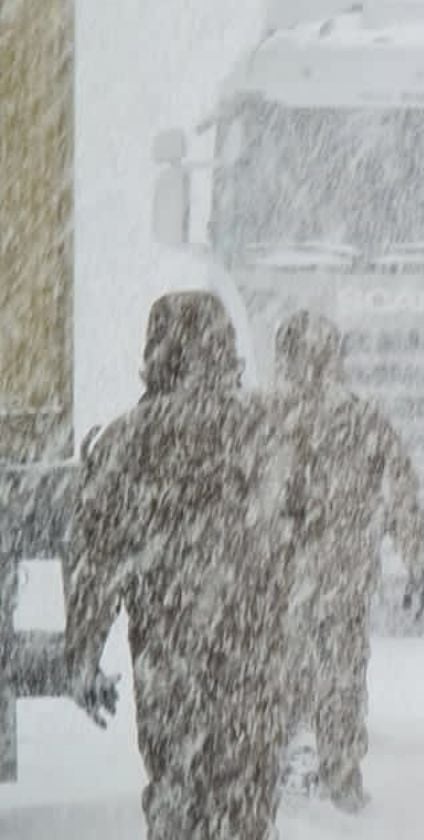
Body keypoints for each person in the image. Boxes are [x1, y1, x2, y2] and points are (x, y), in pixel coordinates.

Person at [65, 291, 296, 840]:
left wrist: (83, 655)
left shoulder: (126, 441)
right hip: (257, 654)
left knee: (177, 789)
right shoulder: (266, 428)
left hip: (170, 657)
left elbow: (95, 562)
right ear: (226, 349)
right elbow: (302, 538)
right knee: (247, 797)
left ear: (156, 351)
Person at [272, 310, 424, 811]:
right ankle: (340, 782)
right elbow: (400, 493)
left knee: (287, 678)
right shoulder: (363, 418)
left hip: (284, 580)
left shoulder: (265, 417)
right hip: (345, 576)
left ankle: (288, 777)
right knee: (340, 680)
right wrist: (417, 562)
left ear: (286, 359)